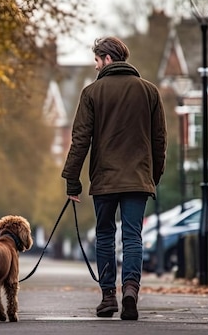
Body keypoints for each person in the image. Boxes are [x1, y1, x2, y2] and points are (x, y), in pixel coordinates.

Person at [61, 36, 167, 320]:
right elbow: (159, 141)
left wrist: (72, 180)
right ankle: (130, 289)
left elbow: (80, 140)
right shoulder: (150, 92)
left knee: (105, 235)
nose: (96, 67)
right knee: (133, 235)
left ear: (107, 58)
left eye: (96, 60)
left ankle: (108, 297)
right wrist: (152, 176)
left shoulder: (92, 93)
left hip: (105, 180)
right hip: (138, 179)